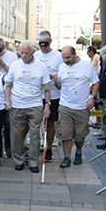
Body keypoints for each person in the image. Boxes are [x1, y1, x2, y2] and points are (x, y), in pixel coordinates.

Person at [5, 40, 52, 173]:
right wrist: (8, 101)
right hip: (17, 105)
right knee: (17, 135)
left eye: (26, 53)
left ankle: (33, 161)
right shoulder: (15, 65)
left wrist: (47, 105)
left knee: (35, 135)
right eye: (22, 52)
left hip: (35, 105)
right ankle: (19, 160)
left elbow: (47, 88)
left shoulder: (41, 66)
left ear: (33, 52)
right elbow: (8, 86)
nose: (24, 55)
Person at [57, 46, 99, 167]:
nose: (65, 60)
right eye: (63, 58)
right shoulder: (62, 67)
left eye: (68, 57)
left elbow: (96, 82)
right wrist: (56, 81)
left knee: (80, 134)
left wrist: (92, 98)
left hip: (82, 106)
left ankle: (79, 152)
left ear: (75, 54)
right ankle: (66, 157)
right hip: (65, 105)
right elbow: (60, 85)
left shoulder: (87, 66)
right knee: (65, 133)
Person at [34, 31, 64, 162]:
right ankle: (34, 147)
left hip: (53, 94)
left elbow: (62, 75)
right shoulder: (35, 55)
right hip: (36, 94)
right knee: (34, 122)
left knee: (50, 122)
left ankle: (49, 148)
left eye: (45, 44)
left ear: (50, 42)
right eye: (40, 44)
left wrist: (56, 78)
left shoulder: (58, 56)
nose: (43, 47)